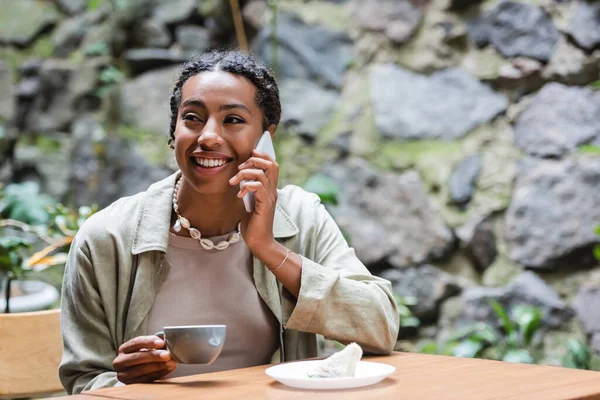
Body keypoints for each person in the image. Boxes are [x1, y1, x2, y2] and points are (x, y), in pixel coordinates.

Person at [59, 49, 399, 394]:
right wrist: (125, 382)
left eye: (233, 120)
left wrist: (268, 249)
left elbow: (380, 325)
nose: (208, 136)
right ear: (174, 131)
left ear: (267, 137)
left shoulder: (301, 217)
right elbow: (83, 379)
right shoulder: (106, 238)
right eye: (192, 117)